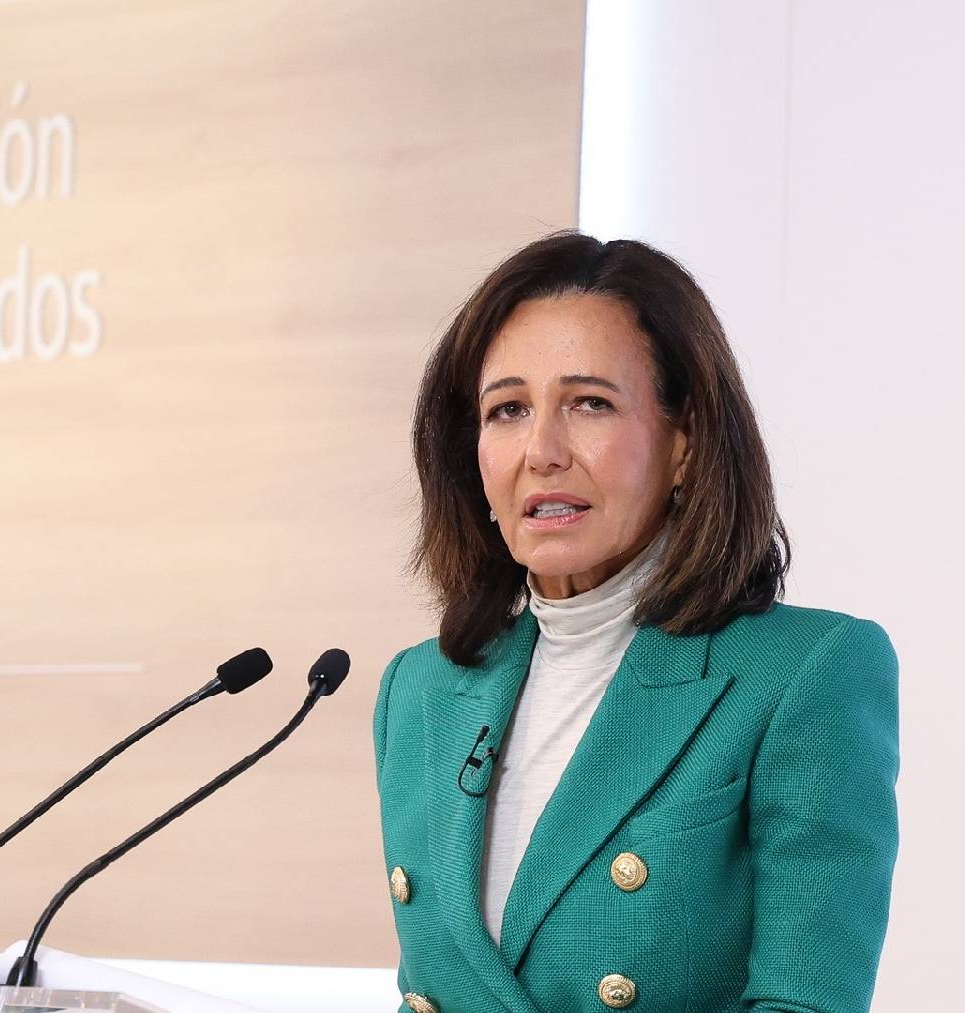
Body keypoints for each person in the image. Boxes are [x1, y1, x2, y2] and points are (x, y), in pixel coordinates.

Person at [373, 231, 899, 1013]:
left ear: (683, 441)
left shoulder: (807, 671)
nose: (542, 450)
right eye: (508, 409)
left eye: (590, 402)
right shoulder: (419, 688)